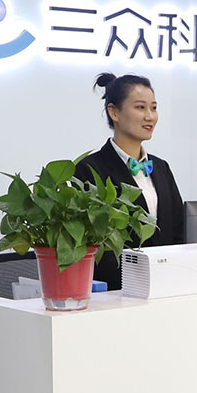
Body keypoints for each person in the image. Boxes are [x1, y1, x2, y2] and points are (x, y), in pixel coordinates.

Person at [75, 73, 185, 290]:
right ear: (114, 112)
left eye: (154, 108)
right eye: (140, 107)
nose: (150, 116)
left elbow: (179, 230)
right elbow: (93, 244)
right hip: (118, 290)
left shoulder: (161, 167)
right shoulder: (89, 169)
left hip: (166, 287)